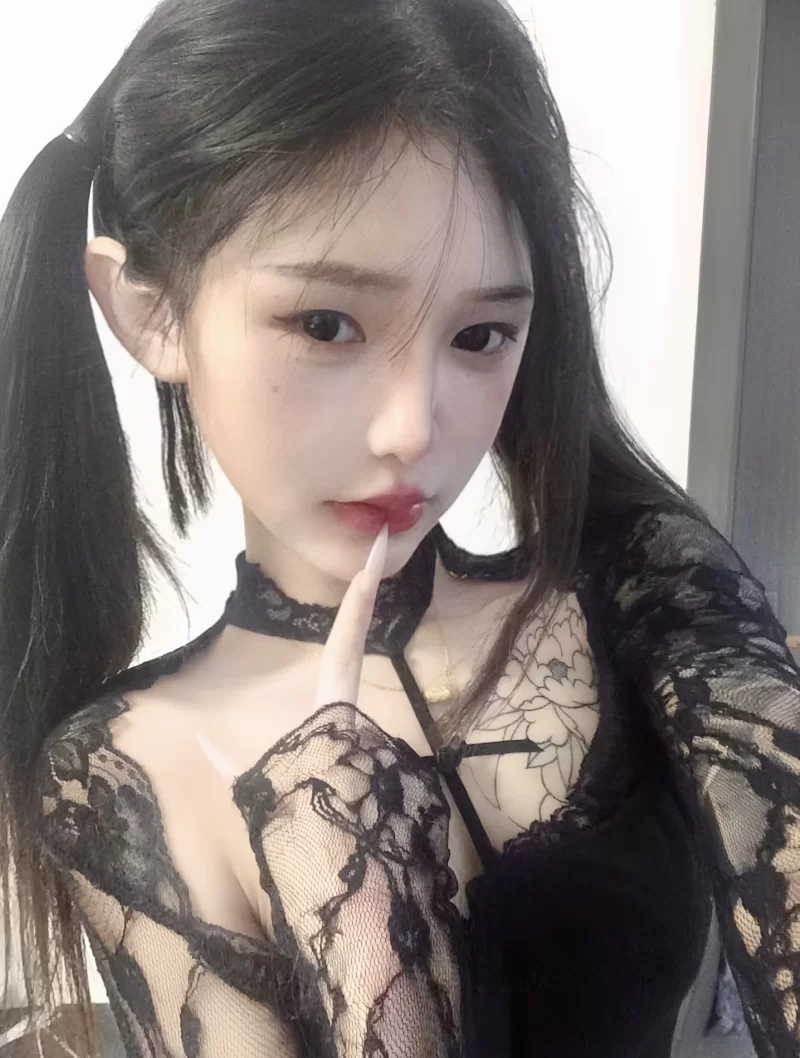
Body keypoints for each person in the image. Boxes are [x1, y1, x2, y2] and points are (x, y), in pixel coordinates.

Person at [0, 0, 798, 1055]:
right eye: (326, 323)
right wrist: (360, 894)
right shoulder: (123, 772)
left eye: (481, 334)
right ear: (151, 312)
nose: (414, 429)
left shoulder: (635, 583)